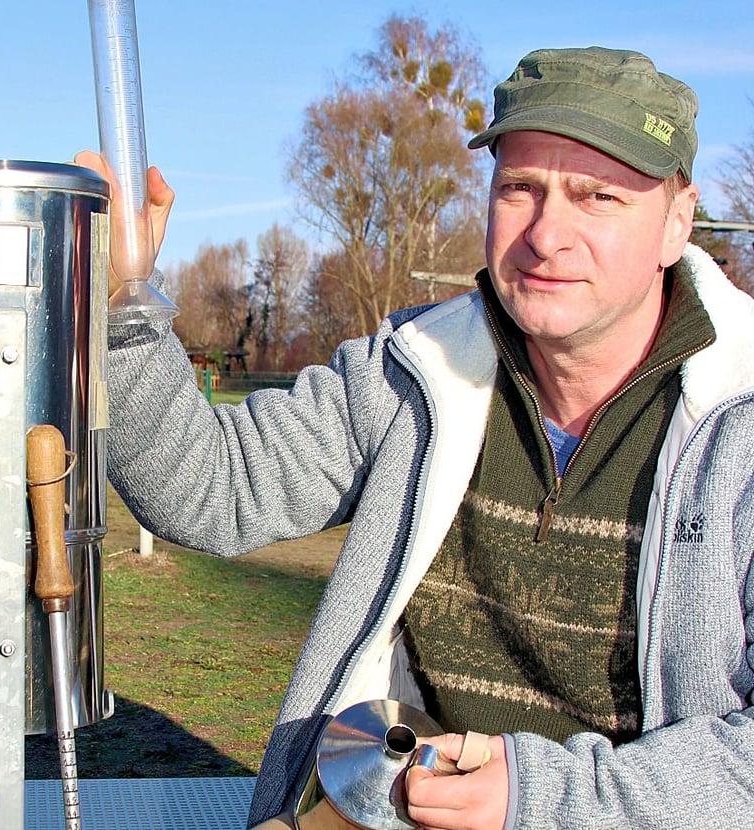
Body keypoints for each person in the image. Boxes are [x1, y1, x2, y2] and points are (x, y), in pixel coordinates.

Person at [76, 45, 754, 829]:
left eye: (597, 197)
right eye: (520, 189)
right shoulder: (415, 371)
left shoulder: (734, 425)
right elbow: (209, 491)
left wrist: (536, 797)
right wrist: (124, 303)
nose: (546, 234)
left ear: (677, 222)